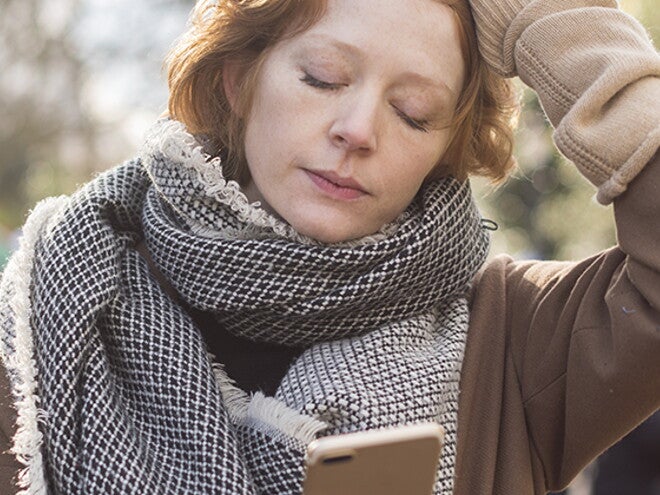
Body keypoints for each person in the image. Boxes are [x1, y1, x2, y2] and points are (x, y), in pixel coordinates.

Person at [0, 0, 658, 493]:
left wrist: (547, 20)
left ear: (445, 149)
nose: (358, 130)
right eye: (321, 77)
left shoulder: (517, 336)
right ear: (238, 78)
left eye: (413, 112)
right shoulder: (58, 299)